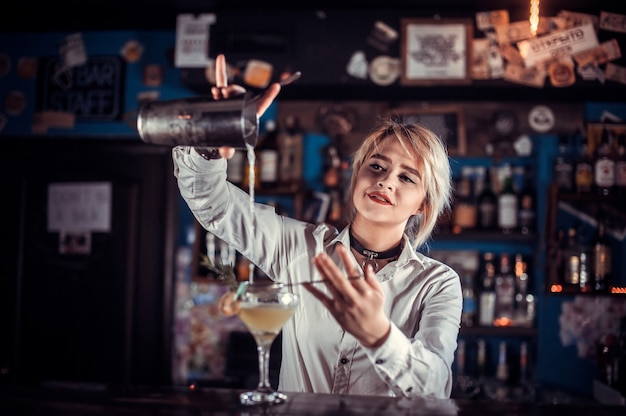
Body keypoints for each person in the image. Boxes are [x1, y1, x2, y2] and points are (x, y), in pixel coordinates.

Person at [172, 54, 462, 399]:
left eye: (407, 177)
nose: (386, 182)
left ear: (424, 204)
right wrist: (209, 141)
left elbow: (436, 386)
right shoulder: (297, 247)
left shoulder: (437, 283)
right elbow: (213, 205)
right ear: (356, 177)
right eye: (377, 166)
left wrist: (380, 336)